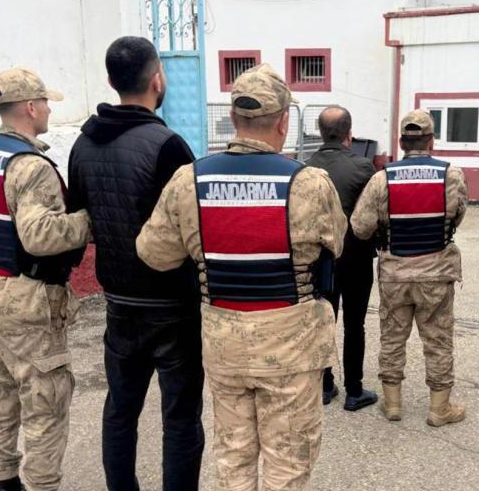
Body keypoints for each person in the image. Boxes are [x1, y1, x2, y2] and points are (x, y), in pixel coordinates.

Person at [136, 63, 346, 490]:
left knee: (233, 455)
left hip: (223, 338)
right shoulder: (309, 183)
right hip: (291, 340)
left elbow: (154, 253)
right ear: (284, 121)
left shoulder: (189, 180)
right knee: (288, 460)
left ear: (233, 117)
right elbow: (337, 242)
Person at [67, 37, 204, 491]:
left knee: (120, 409)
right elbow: (192, 225)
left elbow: (82, 218)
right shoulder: (168, 146)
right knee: (180, 416)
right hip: (172, 305)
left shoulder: (81, 146)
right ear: (157, 79)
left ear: (111, 81)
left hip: (119, 301)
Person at [0, 68, 91, 491]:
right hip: (29, 298)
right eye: (46, 103)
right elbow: (40, 236)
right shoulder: (32, 167)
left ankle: (4, 481)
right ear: (31, 108)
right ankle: (42, 485)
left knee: (0, 395)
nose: (50, 110)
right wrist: (88, 222)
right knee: (45, 404)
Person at [350, 109, 468, 427]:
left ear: (401, 142)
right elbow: (458, 216)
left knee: (392, 338)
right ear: (431, 141)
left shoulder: (382, 178)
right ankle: (439, 409)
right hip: (437, 272)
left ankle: (392, 405)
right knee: (438, 341)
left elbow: (360, 226)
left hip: (395, 274)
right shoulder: (452, 175)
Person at [306, 106, 378, 410]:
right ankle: (354, 390)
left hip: (319, 259)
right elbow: (373, 215)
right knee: (354, 324)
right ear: (349, 134)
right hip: (356, 257)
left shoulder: (305, 168)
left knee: (323, 321)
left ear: (321, 133)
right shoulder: (364, 168)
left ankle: (324, 386)